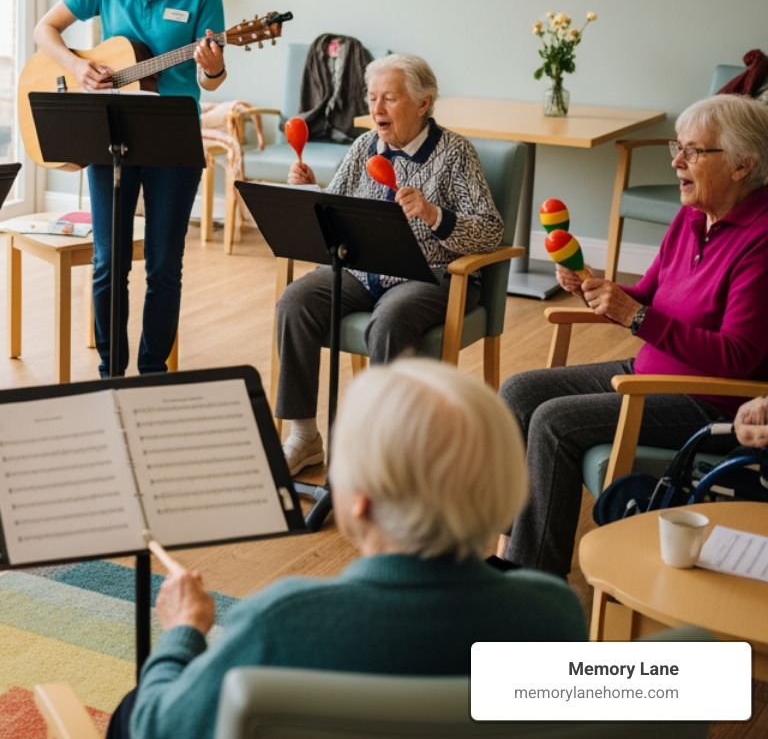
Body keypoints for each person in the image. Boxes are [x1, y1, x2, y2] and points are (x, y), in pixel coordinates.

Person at [112, 360, 586, 739]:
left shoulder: (282, 622)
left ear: (360, 500)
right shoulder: (553, 614)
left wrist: (183, 632)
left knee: (133, 708)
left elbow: (157, 727)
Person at [502, 94, 768, 577]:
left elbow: (738, 356)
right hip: (648, 375)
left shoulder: (761, 239)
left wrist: (637, 316)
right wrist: (595, 288)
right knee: (519, 390)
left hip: (709, 400)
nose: (677, 161)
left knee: (555, 422)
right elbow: (646, 296)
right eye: (677, 147)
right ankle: (509, 545)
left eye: (693, 151)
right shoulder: (691, 217)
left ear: (741, 165)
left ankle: (532, 581)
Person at [275, 53, 503, 473]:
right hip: (362, 271)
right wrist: (311, 190)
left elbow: (491, 231)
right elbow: (334, 209)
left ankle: (386, 451)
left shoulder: (455, 153)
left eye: (390, 98)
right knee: (295, 301)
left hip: (430, 275)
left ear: (423, 103)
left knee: (390, 321)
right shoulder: (364, 146)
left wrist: (433, 214)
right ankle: (304, 437)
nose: (376, 108)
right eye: (372, 97)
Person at [33, 0, 226, 377]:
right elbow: (44, 30)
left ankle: (152, 371)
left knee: (163, 265)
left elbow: (210, 80)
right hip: (109, 129)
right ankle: (110, 372)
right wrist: (77, 67)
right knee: (108, 261)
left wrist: (213, 67)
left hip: (172, 137)